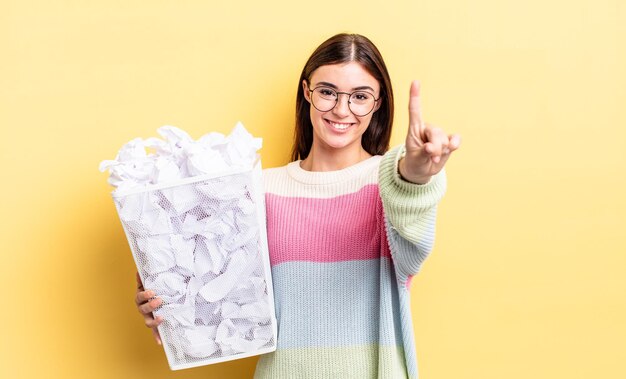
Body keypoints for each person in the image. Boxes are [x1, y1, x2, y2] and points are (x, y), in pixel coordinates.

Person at [135, 33, 461, 378]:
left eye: (360, 97)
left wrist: (415, 177)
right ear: (307, 91)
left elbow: (413, 246)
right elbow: (213, 291)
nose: (341, 109)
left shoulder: (390, 180)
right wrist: (164, 300)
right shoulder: (257, 189)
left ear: (377, 104)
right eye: (327, 92)